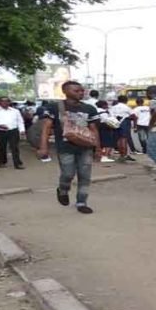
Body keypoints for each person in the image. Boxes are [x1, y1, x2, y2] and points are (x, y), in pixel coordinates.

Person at [38, 81, 101, 214]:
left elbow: (94, 129)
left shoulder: (89, 108)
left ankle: (81, 202)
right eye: (76, 91)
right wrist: (43, 147)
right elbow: (46, 127)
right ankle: (63, 190)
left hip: (86, 147)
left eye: (81, 91)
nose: (80, 93)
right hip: (65, 147)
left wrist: (98, 148)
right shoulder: (55, 107)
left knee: (85, 176)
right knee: (67, 173)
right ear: (65, 91)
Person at [0, 97, 25, 169]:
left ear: (9, 102)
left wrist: (22, 130)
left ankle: (17, 163)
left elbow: (20, 121)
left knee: (14, 147)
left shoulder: (15, 111)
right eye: (2, 101)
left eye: (7, 101)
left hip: (13, 131)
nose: (5, 103)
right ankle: (2, 162)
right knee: (1, 147)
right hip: (0, 131)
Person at [109, 95, 136, 163]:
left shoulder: (113, 107)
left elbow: (111, 116)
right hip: (125, 122)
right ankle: (124, 155)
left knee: (118, 139)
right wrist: (134, 123)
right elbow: (133, 115)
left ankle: (121, 155)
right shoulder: (126, 107)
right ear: (126, 100)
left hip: (115, 123)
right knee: (124, 138)